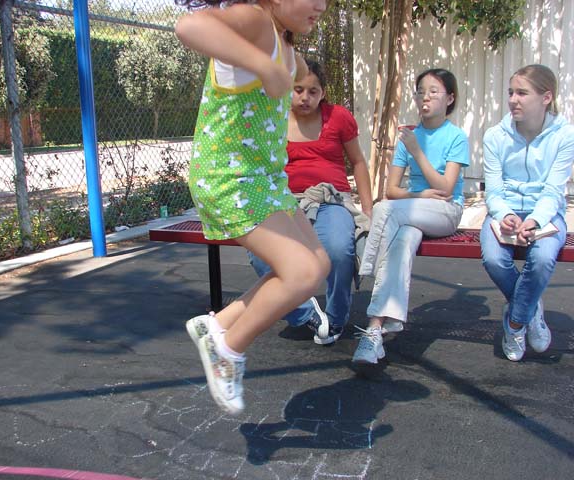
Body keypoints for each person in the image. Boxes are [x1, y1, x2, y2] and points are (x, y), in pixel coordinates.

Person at [175, 0, 329, 415]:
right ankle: (227, 349)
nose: (322, 5)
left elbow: (287, 78)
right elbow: (191, 26)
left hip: (265, 178)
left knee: (318, 264)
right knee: (301, 272)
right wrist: (263, 66)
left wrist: (282, 68)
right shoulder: (257, 20)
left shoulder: (287, 49)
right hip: (230, 178)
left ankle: (217, 324)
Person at [248, 59, 372, 345]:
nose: (305, 97)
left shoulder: (338, 117)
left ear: (323, 93)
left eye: (313, 91)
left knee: (338, 248)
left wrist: (367, 209)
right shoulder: (273, 119)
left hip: (331, 199)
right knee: (260, 254)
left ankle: (336, 319)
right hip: (284, 202)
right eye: (298, 90)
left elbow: (358, 162)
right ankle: (307, 315)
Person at [352, 68, 470, 364]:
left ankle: (366, 267)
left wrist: (417, 152)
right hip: (413, 210)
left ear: (450, 98)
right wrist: (419, 195)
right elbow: (391, 190)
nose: (424, 97)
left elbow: (445, 188)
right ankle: (375, 330)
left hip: (445, 211)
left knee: (383, 209)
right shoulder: (409, 136)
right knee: (400, 244)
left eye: (433, 92)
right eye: (420, 92)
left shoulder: (455, 137)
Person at [480, 64, 574, 362]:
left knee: (543, 257)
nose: (513, 100)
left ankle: (516, 323)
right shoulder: (495, 136)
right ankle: (531, 308)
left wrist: (534, 220)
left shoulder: (565, 135)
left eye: (522, 93)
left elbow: (554, 190)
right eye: (511, 92)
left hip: (545, 213)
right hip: (505, 210)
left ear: (546, 97)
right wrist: (504, 214)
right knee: (493, 258)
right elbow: (493, 191)